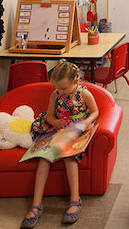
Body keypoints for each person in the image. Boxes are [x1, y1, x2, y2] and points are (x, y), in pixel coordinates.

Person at [22, 60, 99, 228]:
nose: (61, 92)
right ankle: (36, 205)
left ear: (76, 81)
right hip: (58, 131)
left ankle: (75, 200)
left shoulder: (84, 94)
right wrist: (55, 122)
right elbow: (49, 116)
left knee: (69, 158)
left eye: (64, 88)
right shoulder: (55, 94)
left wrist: (87, 122)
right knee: (43, 159)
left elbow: (95, 111)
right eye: (58, 88)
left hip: (77, 132)